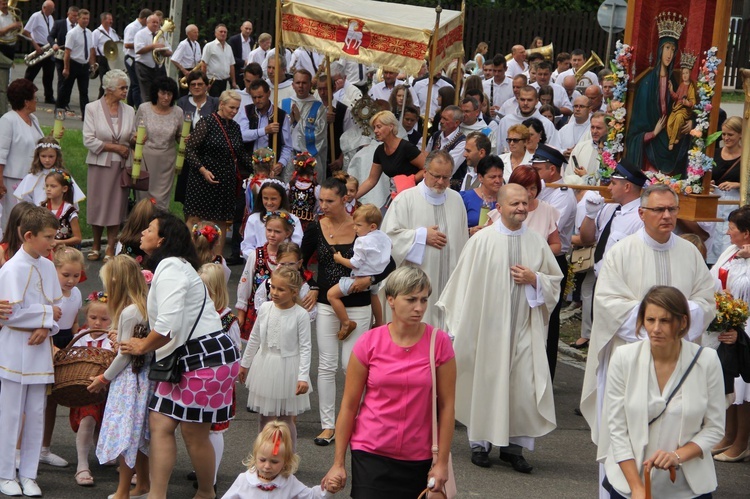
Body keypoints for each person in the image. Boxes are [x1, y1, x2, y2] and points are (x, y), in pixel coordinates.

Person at [581, 184, 716, 496]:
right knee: (622, 428)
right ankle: (623, 488)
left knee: (677, 425)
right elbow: (608, 305)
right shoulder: (622, 252)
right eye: (659, 210)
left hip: (679, 362)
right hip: (629, 360)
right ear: (642, 213)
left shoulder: (690, 253)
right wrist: (664, 324)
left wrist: (674, 323)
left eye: (671, 209)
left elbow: (706, 301)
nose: (667, 215)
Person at [437, 184, 562, 472]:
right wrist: (459, 327)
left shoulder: (536, 242)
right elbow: (462, 286)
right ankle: (480, 444)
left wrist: (535, 279)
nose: (520, 208)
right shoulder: (482, 241)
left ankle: (513, 448)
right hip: (487, 331)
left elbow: (554, 282)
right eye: (514, 203)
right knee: (487, 383)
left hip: (523, 329)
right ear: (500, 207)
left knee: (523, 388)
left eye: (524, 203)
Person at [118, 212, 240, 499]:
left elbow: (168, 325)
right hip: (194, 357)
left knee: (194, 435)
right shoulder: (173, 266)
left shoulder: (171, 267)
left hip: (203, 358)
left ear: (161, 239)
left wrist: (141, 346)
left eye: (149, 229)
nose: (143, 232)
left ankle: (206, 492)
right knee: (160, 423)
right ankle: (157, 495)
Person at [322, 266, 456, 497]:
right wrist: (338, 463)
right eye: (411, 299)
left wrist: (442, 462)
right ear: (391, 300)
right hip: (370, 451)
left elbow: (447, 407)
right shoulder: (369, 342)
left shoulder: (439, 342)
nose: (419, 307)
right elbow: (349, 405)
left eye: (424, 300)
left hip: (419, 457)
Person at [603, 286, 724, 499]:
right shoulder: (623, 358)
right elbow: (617, 429)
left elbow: (714, 428)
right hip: (631, 485)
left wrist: (678, 456)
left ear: (683, 322)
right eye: (650, 320)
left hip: (688, 489)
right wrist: (637, 488)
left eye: (665, 321)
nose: (656, 328)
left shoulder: (707, 361)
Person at [301, 174, 395, 446]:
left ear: (345, 199)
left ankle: (357, 421)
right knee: (327, 366)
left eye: (329, 200)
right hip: (327, 305)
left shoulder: (363, 226)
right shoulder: (315, 228)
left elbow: (390, 263)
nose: (323, 205)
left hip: (360, 305)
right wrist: (315, 285)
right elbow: (299, 261)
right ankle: (328, 425)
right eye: (320, 200)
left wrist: (371, 280)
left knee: (350, 366)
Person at [0, 206, 62, 498]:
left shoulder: (48, 266)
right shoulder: (11, 269)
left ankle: (29, 473)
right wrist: (46, 317)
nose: (53, 243)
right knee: (10, 413)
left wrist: (47, 325)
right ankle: (5, 473)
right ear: (28, 235)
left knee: (36, 412)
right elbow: (10, 314)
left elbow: (58, 310)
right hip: (15, 347)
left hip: (38, 350)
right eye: (48, 237)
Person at [381, 148, 469, 330]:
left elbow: (462, 241)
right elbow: (388, 238)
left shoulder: (456, 200)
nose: (441, 182)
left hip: (449, 282)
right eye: (436, 176)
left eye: (446, 177)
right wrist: (421, 236)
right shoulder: (405, 199)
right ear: (426, 172)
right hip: (416, 286)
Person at [86, 256, 151, 499]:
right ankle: (143, 483)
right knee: (141, 434)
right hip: (144, 378)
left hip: (130, 380)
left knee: (127, 435)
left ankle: (123, 491)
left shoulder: (130, 312)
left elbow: (124, 356)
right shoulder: (143, 305)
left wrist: (104, 378)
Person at [574, 159, 647, 350]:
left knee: (616, 345)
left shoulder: (641, 217)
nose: (609, 187)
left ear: (627, 186)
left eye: (614, 183)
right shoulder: (609, 208)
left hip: (623, 288)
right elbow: (587, 238)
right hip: (602, 282)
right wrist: (590, 215)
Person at [239, 265, 312, 452]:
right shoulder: (265, 308)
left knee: (286, 419)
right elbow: (254, 337)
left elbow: (305, 347)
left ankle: (288, 458)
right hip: (265, 365)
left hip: (288, 367)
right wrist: (244, 364)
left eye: (281, 289)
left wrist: (302, 377)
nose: (275, 292)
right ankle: (262, 455)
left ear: (294, 292)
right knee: (265, 417)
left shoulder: (300, 315)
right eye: (272, 287)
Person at [184, 90, 252, 255]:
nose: (234, 111)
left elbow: (241, 154)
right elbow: (190, 149)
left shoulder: (235, 127)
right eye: (231, 107)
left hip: (225, 181)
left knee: (221, 220)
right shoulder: (206, 122)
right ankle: (188, 254)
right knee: (195, 218)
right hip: (202, 180)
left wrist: (258, 168)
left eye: (237, 108)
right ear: (221, 104)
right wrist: (202, 170)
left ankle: (217, 258)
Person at [709, 206, 750, 462]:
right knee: (728, 378)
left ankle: (742, 442)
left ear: (746, 233)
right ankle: (728, 435)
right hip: (730, 322)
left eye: (732, 229)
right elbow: (713, 278)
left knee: (745, 387)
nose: (728, 232)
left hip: (748, 326)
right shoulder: (731, 251)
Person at [626, 15, 691, 176]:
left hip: (669, 138)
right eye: (667, 48)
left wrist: (689, 122)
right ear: (660, 49)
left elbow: (681, 107)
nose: (670, 54)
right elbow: (636, 129)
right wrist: (653, 133)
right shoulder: (647, 84)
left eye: (673, 49)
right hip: (651, 147)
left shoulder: (674, 83)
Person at [83, 69, 136, 262]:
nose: (125, 91)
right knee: (98, 205)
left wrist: (135, 139)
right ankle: (96, 245)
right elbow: (88, 140)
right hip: (99, 164)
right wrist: (115, 148)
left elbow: (131, 136)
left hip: (121, 167)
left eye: (126, 88)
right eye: (122, 88)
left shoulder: (129, 110)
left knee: (116, 207)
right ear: (109, 89)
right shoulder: (92, 108)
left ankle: (110, 247)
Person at [198, 262, 242, 489]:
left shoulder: (227, 320)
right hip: (196, 379)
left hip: (218, 382)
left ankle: (211, 478)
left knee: (215, 429)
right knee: (197, 428)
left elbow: (236, 352)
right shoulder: (195, 313)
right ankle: (202, 467)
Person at [42, 246, 83, 470]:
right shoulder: (49, 294)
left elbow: (74, 323)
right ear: (55, 270)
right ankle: (19, 450)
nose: (71, 280)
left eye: (76, 275)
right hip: (48, 344)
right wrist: (53, 349)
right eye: (65, 275)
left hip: (66, 344)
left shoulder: (76, 294)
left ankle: (44, 449)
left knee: (52, 401)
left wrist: (76, 346)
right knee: (36, 401)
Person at [67, 293, 114, 487]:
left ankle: (103, 451)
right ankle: (82, 464)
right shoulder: (80, 337)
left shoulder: (112, 339)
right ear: (86, 317)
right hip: (84, 388)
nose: (97, 323)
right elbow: (71, 357)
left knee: (105, 423)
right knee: (88, 419)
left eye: (104, 319)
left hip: (108, 390)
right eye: (93, 318)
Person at [223, 420, 337, 498]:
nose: (267, 466)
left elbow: (310, 496)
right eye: (262, 460)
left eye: (274, 461)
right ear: (255, 456)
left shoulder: (288, 481)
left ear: (286, 461)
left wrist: (326, 490)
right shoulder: (244, 480)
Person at [328, 204, 391, 339]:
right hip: (376, 277)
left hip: (360, 278)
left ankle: (346, 323)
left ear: (372, 226)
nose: (355, 228)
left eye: (358, 225)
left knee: (331, 295)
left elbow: (354, 264)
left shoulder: (362, 242)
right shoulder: (383, 237)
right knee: (374, 296)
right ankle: (379, 322)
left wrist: (340, 259)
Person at [236, 211, 295, 341]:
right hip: (258, 311)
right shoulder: (256, 255)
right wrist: (241, 312)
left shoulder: (291, 257)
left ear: (288, 233)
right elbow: (245, 283)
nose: (272, 235)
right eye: (269, 230)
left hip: (283, 312)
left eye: (277, 232)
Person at [0, 79, 45, 232]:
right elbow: (1, 153)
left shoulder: (34, 120)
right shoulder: (8, 120)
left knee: (30, 220)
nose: (36, 101)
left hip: (33, 179)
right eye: (34, 98)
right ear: (26, 102)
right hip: (13, 181)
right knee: (14, 218)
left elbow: (36, 145)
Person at [134, 76, 183, 209]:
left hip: (166, 162)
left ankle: (159, 227)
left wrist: (185, 139)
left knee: (161, 201)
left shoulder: (178, 112)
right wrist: (136, 137)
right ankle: (141, 225)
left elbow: (180, 137)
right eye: (163, 93)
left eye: (169, 94)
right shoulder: (144, 109)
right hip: (145, 159)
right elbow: (134, 132)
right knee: (143, 199)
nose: (166, 97)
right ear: (156, 92)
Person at [355, 111, 426, 201]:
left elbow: (427, 168)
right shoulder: (380, 151)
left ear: (391, 127)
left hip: (414, 194)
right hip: (396, 194)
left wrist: (410, 180)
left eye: (379, 127)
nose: (375, 131)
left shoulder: (406, 147)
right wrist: (352, 197)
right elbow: (371, 181)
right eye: (374, 128)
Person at [174, 71, 219, 204]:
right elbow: (177, 128)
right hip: (188, 154)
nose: (196, 87)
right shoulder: (182, 103)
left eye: (200, 84)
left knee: (207, 195)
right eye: (193, 84)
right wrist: (182, 137)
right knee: (187, 195)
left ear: (207, 86)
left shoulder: (214, 102)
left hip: (209, 154)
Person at [239, 79, 292, 179]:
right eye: (254, 97)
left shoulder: (280, 115)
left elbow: (287, 146)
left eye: (260, 97)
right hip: (249, 166)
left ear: (268, 93)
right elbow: (242, 135)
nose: (257, 101)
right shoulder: (247, 111)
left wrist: (281, 163)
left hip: (271, 168)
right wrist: (265, 130)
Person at [241, 179, 304, 259]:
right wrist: (259, 259)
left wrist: (282, 259)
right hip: (259, 263)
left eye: (273, 199)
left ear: (282, 198)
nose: (269, 202)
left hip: (284, 262)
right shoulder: (254, 219)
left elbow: (296, 244)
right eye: (265, 198)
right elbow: (248, 245)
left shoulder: (293, 220)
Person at [14, 136, 85, 207]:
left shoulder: (63, 176)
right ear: (38, 156)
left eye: (51, 156)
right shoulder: (31, 177)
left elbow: (72, 198)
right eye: (43, 156)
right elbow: (23, 200)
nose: (47, 160)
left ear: (57, 156)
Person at [709, 116, 743, 263]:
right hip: (715, 203)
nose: (726, 138)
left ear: (740, 134)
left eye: (730, 135)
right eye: (723, 134)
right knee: (712, 237)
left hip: (734, 202)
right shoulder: (714, 153)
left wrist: (738, 184)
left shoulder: (746, 156)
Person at [493, 85, 560, 155]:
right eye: (522, 99)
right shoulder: (505, 121)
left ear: (537, 101)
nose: (525, 103)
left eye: (529, 100)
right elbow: (499, 150)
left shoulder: (547, 124)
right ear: (518, 99)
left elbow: (554, 151)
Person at [286, 69, 327, 181]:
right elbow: (279, 133)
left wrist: (300, 120)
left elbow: (319, 136)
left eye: (304, 83)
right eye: (298, 83)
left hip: (310, 159)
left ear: (310, 85)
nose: (301, 86)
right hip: (289, 157)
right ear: (293, 85)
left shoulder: (319, 107)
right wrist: (290, 122)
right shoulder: (284, 103)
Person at [57, 8, 95, 119]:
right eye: (83, 18)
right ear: (78, 19)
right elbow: (67, 52)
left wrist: (92, 65)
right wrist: (66, 68)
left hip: (84, 65)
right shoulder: (72, 33)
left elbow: (91, 49)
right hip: (73, 63)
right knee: (65, 89)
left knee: (84, 91)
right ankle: (59, 110)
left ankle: (85, 116)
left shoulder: (89, 33)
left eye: (87, 19)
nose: (86, 21)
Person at [23, 1, 56, 104]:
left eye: (53, 9)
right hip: (38, 47)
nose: (52, 11)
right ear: (44, 8)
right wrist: (36, 46)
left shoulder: (50, 18)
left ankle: (49, 96)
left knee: (49, 74)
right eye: (50, 9)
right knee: (31, 73)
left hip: (48, 48)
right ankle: (24, 95)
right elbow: (26, 31)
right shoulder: (36, 16)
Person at [461, 154, 504, 234]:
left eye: (500, 176)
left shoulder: (506, 200)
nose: (498, 181)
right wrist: (469, 231)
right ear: (480, 177)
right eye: (492, 177)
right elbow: (454, 227)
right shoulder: (465, 198)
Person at [133, 15, 170, 106]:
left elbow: (170, 52)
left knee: (159, 92)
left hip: (158, 67)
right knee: (147, 94)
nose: (156, 24)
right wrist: (153, 46)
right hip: (144, 67)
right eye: (153, 22)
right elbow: (138, 50)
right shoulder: (140, 34)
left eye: (157, 22)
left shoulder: (161, 35)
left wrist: (164, 51)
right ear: (147, 23)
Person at [566, 112, 607, 185]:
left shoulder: (612, 152)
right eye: (592, 127)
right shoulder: (580, 147)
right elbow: (569, 175)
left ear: (608, 129)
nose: (594, 131)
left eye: (598, 128)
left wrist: (585, 176)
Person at [43, 169, 81, 247]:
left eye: (53, 186)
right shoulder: (42, 208)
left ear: (64, 189)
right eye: (47, 186)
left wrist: (58, 242)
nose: (48, 189)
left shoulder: (70, 211)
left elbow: (78, 238)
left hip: (64, 251)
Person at [122, 9, 150, 107]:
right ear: (145, 19)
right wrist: (142, 45)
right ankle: (138, 107)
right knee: (136, 84)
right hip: (131, 57)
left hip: (137, 58)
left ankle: (129, 104)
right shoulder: (132, 27)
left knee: (135, 84)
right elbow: (127, 44)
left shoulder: (143, 27)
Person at [202, 24, 237, 97]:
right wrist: (204, 82)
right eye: (221, 31)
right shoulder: (209, 46)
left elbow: (231, 65)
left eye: (225, 32)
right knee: (215, 102)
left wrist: (233, 82)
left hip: (225, 81)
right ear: (215, 33)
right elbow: (204, 64)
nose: (223, 34)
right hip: (213, 81)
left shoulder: (229, 48)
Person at [92, 12, 120, 98]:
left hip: (112, 60)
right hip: (102, 59)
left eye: (112, 19)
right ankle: (100, 100)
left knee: (111, 82)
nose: (111, 21)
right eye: (109, 19)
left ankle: (105, 100)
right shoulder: (96, 32)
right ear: (103, 20)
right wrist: (93, 63)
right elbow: (93, 48)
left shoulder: (113, 32)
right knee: (104, 82)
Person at [170, 24, 201, 97]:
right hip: (186, 71)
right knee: (184, 93)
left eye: (197, 32)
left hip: (194, 70)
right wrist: (184, 71)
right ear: (188, 33)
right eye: (194, 32)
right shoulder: (183, 44)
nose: (197, 34)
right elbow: (174, 59)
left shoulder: (197, 44)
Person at [0, 202, 35, 266]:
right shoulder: (2, 251)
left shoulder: (43, 249)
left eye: (34, 226)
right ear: (14, 226)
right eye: (25, 226)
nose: (30, 230)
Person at [228, 21, 254, 90]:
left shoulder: (251, 41)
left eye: (250, 29)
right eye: (246, 28)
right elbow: (231, 57)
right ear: (241, 28)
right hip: (237, 73)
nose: (248, 31)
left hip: (248, 73)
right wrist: (244, 62)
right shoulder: (234, 40)